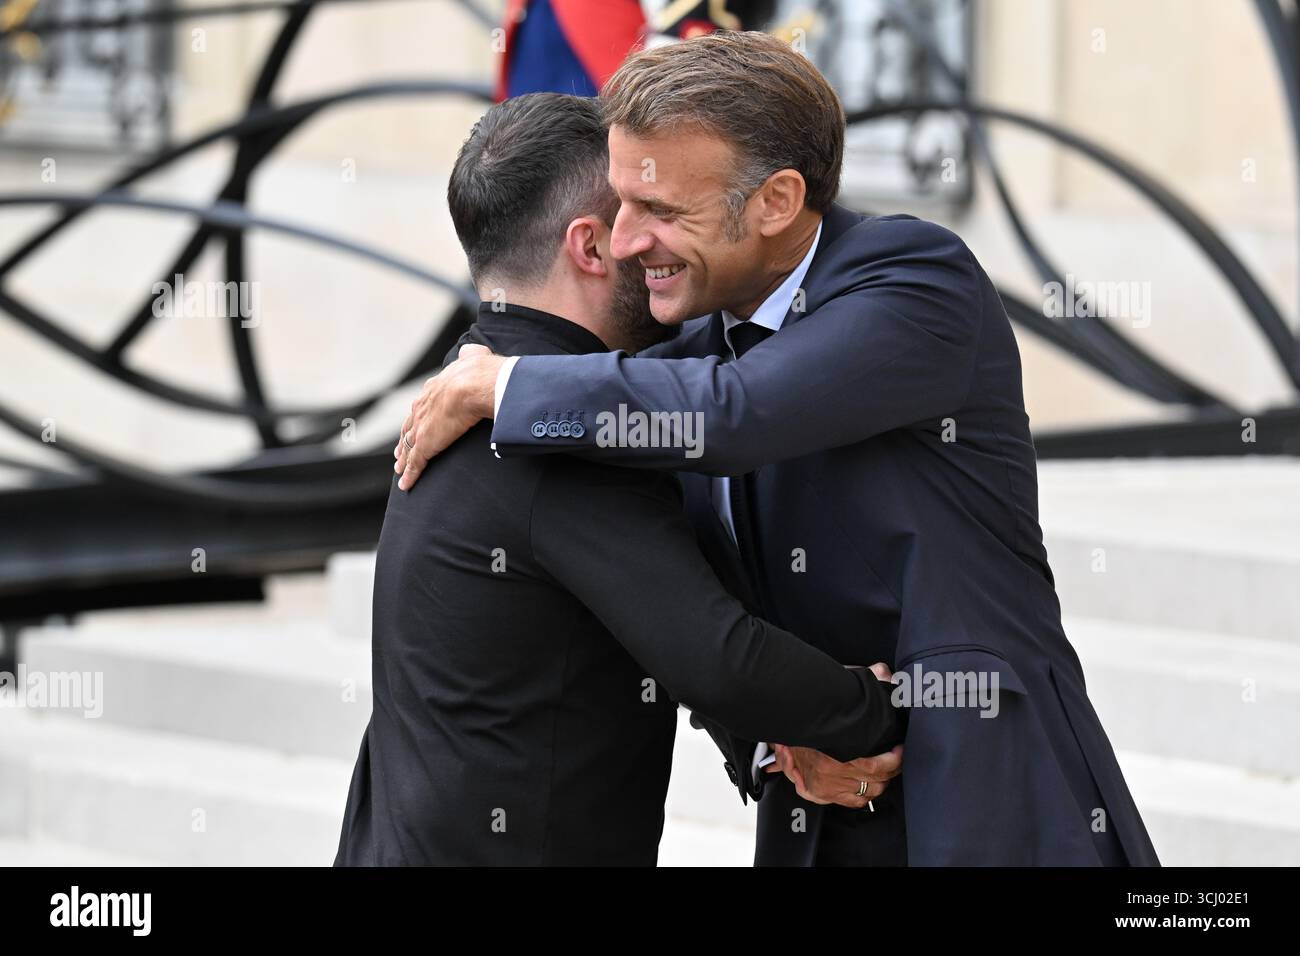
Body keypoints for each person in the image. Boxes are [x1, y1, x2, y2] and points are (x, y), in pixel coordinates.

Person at [394, 32, 1161, 867]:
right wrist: (775, 746)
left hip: (988, 787)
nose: (622, 244)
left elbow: (737, 413)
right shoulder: (676, 363)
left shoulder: (913, 280)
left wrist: (503, 387)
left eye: (660, 211)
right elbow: (699, 611)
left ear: (776, 200)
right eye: (620, 207)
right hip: (822, 808)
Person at [335, 92, 902, 867]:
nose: (653, 239)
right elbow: (718, 656)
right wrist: (887, 714)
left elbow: (645, 615)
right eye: (640, 209)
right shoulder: (560, 435)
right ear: (592, 248)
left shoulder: (474, 384)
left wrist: (782, 744)